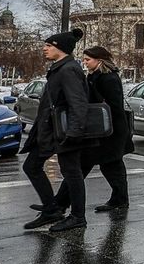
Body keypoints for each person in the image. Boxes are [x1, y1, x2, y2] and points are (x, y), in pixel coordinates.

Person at [20, 27, 92, 233]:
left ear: (60, 48)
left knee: (72, 172)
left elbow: (78, 103)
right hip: (51, 130)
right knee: (32, 166)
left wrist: (75, 132)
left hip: (64, 131)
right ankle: (51, 209)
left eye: (48, 45)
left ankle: (78, 217)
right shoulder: (60, 68)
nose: (45, 49)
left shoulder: (69, 69)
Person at [51, 46, 133, 215]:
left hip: (110, 131)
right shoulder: (95, 76)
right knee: (107, 166)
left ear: (99, 60)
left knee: (86, 166)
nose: (85, 62)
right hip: (103, 130)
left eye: (88, 59)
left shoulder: (108, 78)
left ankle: (59, 203)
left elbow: (113, 106)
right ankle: (119, 200)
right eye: (84, 59)